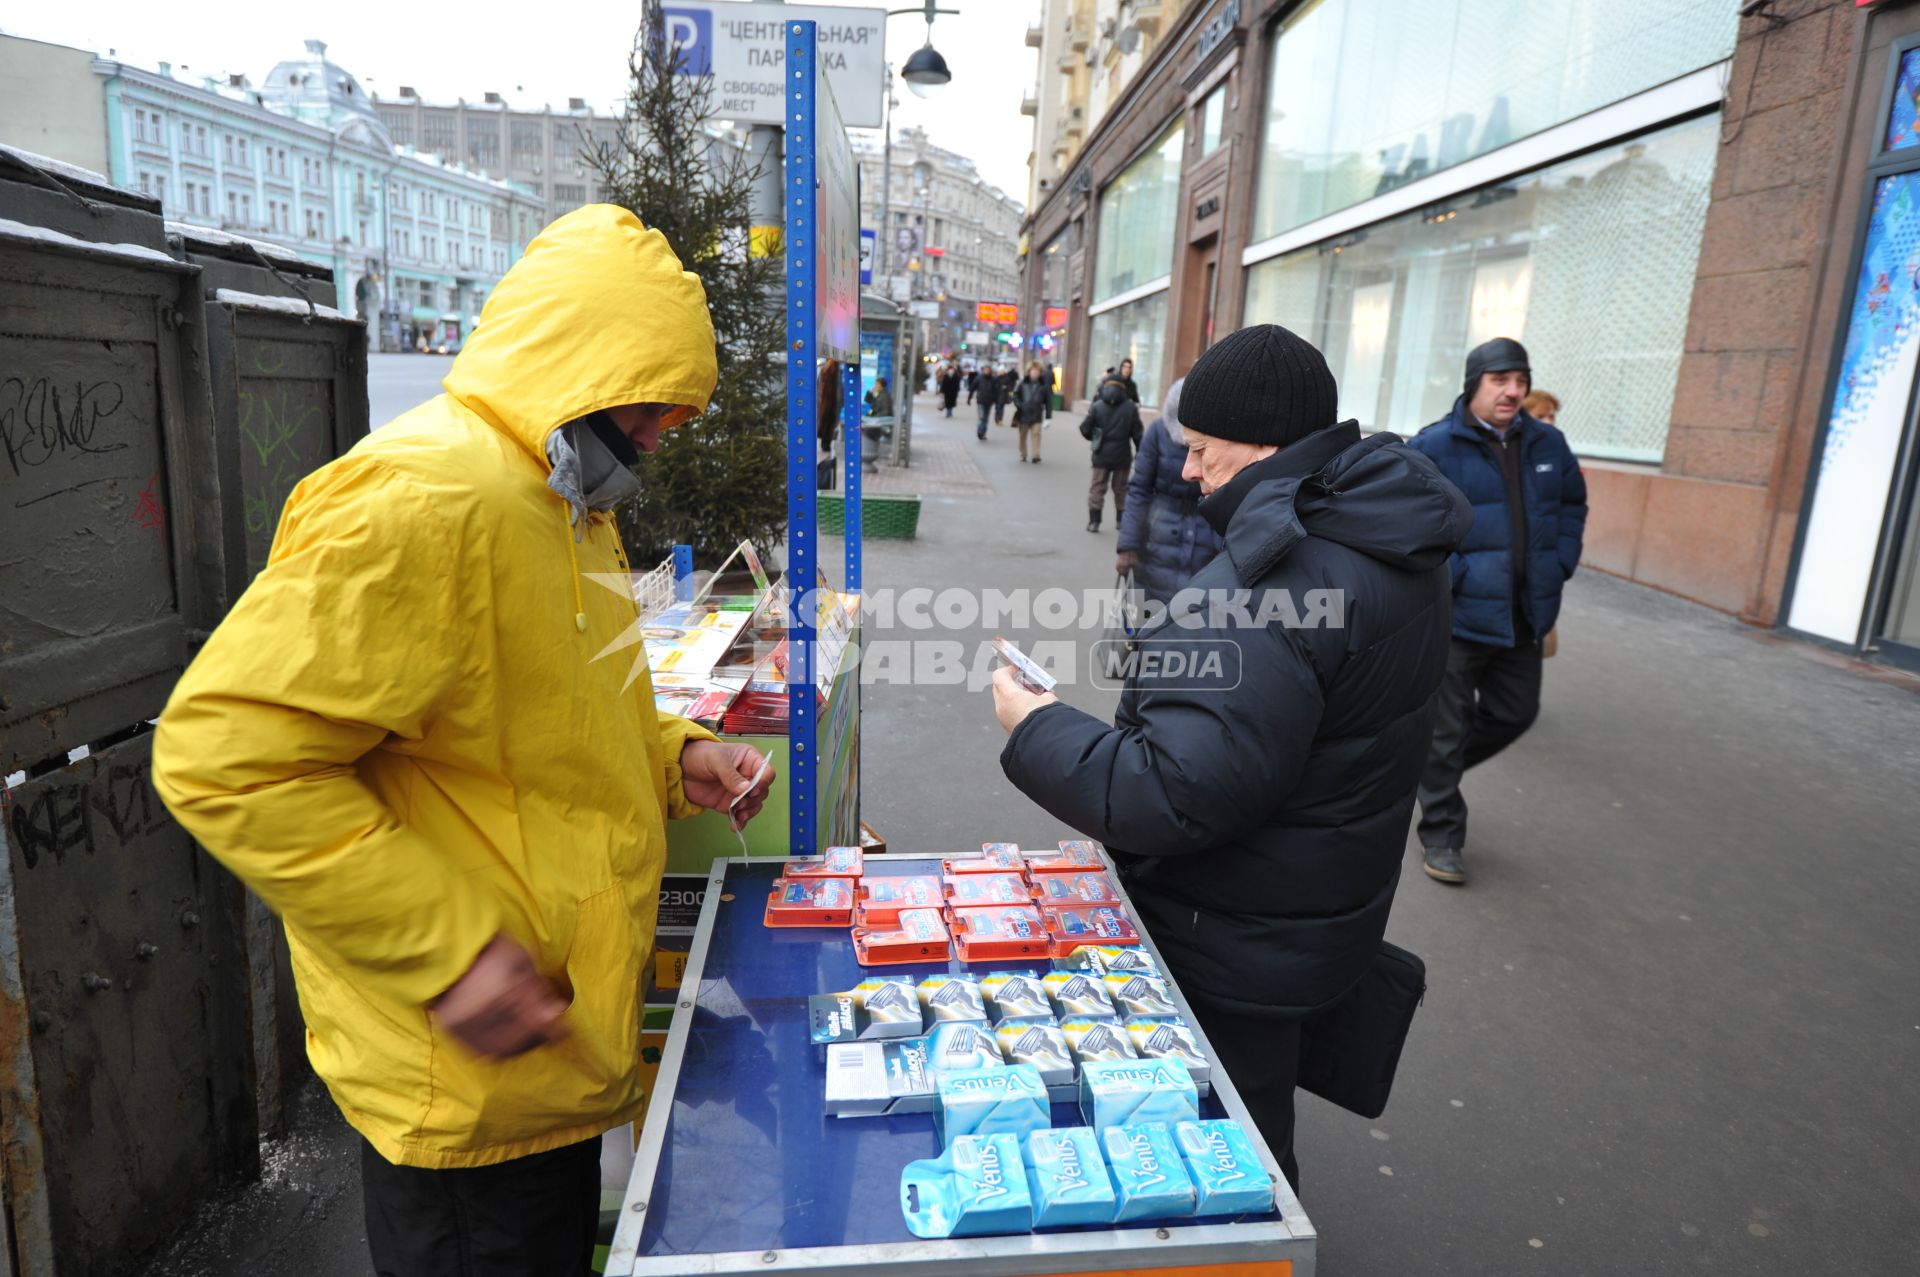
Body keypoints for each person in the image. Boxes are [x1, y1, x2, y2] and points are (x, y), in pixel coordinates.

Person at [150, 205, 778, 1277]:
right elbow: (225, 754)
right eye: (655, 409)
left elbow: (558, 712)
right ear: (587, 375)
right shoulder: (424, 498)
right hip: (469, 1071)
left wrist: (678, 756)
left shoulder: (565, 499)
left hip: (544, 1049)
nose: (665, 435)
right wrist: (452, 952)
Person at [990, 323, 1470, 1191]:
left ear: (1263, 444)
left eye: (1202, 449)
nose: (1185, 470)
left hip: (1233, 928)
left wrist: (1037, 723)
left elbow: (1175, 794)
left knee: (1226, 1152)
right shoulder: (1385, 536)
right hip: (1310, 907)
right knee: (1250, 1114)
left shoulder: (1276, 580)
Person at [1408, 338, 1587, 886]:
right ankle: (1441, 833)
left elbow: (1572, 507)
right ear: (1474, 383)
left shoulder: (1548, 444)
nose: (1513, 391)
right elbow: (1412, 523)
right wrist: (1453, 579)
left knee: (1515, 714)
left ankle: (1429, 775)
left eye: (1520, 381)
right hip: (1460, 619)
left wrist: (1557, 565)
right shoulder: (1435, 446)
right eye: (1500, 380)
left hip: (1525, 615)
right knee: (1446, 728)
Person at [1115, 377, 1222, 606]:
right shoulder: (1157, 431)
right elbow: (1139, 489)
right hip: (1157, 534)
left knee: (1197, 616)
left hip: (1206, 534)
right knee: (1149, 612)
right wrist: (1128, 545)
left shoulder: (1219, 437)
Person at [1079, 376, 1142, 531]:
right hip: (1122, 455)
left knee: (1097, 487)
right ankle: (1121, 521)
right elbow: (1138, 434)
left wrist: (1095, 436)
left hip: (1101, 454)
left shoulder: (1097, 406)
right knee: (1121, 489)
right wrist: (1140, 452)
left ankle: (1094, 522)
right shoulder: (1130, 407)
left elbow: (1084, 428)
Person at [1011, 361, 1052, 463]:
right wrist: (1020, 405)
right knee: (1022, 436)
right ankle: (1023, 454)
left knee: (1036, 434)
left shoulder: (1044, 385)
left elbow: (1048, 402)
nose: (1035, 373)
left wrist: (1048, 417)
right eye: (1033, 371)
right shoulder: (1022, 383)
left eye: (1037, 371)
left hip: (1037, 414)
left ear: (1040, 372)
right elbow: (1015, 395)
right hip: (1024, 414)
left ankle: (1035, 455)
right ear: (1029, 371)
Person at [975, 361, 1003, 441]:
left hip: (989, 401)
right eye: (985, 369)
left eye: (988, 370)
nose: (986, 371)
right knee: (981, 417)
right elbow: (974, 386)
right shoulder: (979, 378)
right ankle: (980, 430)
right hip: (981, 400)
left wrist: (997, 400)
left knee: (986, 418)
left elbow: (997, 390)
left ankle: (983, 433)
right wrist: (969, 397)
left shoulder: (994, 379)